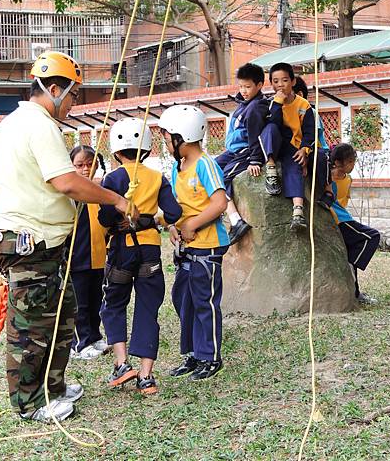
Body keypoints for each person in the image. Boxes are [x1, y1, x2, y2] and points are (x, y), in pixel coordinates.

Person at [0, 51, 138, 423]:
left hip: (46, 244)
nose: (73, 104)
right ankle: (29, 403)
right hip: (29, 241)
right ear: (54, 88)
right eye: (72, 95)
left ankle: (53, 388)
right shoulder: (37, 125)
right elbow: (66, 181)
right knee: (33, 328)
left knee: (61, 318)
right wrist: (116, 198)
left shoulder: (17, 123)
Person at [98, 118, 182, 395]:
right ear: (146, 149)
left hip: (122, 249)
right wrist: (151, 218)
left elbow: (105, 216)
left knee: (114, 304)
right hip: (149, 249)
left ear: (117, 151)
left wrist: (116, 222)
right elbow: (174, 214)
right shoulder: (158, 177)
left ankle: (122, 364)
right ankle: (146, 376)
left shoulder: (114, 178)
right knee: (148, 308)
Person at [159, 105, 229, 380]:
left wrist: (192, 224)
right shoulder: (179, 167)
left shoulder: (205, 164)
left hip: (208, 246)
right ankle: (193, 354)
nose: (165, 143)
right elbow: (180, 206)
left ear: (182, 137)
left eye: (167, 138)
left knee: (205, 301)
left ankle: (210, 357)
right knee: (183, 299)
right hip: (187, 247)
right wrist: (175, 226)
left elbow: (220, 202)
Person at [259, 62, 323, 230]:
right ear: (271, 83)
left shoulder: (303, 105)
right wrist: (278, 103)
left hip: (294, 145)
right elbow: (272, 125)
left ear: (293, 82)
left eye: (285, 80)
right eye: (276, 81)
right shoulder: (270, 103)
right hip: (275, 143)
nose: (280, 85)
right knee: (270, 128)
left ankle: (298, 211)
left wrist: (304, 150)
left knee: (295, 165)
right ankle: (271, 167)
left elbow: (309, 132)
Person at [215, 63, 273, 246]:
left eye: (248, 87)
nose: (244, 90)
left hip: (245, 153)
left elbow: (256, 136)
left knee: (219, 179)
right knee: (209, 170)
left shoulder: (256, 107)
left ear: (259, 85)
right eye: (241, 86)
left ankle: (236, 221)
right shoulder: (243, 104)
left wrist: (255, 160)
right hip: (233, 151)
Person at [68, 145, 110, 360]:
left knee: (96, 300)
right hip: (78, 259)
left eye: (90, 164)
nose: (86, 169)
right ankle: (79, 343)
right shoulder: (71, 194)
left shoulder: (99, 192)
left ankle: (94, 336)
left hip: (98, 257)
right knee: (80, 303)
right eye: (80, 165)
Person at [328, 143, 380, 303]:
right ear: (337, 162)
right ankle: (349, 265)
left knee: (354, 253)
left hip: (345, 217)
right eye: (349, 161)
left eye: (353, 161)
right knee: (373, 236)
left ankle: (356, 293)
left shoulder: (348, 179)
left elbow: (343, 201)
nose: (352, 165)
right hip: (338, 220)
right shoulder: (326, 177)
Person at [292, 76, 334, 209]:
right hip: (297, 149)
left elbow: (312, 137)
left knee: (321, 157)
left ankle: (328, 191)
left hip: (315, 147)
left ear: (299, 94)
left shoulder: (310, 111)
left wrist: (305, 155)